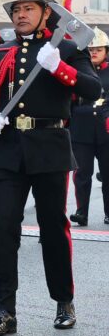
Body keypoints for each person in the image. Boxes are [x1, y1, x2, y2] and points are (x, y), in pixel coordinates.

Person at [0, 0, 100, 336]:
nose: (21, 14)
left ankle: (63, 301)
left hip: (49, 145)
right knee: (4, 228)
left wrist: (60, 67)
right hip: (8, 148)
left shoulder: (68, 49)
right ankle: (5, 311)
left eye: (29, 8)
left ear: (46, 14)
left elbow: (92, 88)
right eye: (17, 9)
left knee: (53, 229)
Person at [69, 28, 109, 227]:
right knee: (82, 175)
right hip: (81, 130)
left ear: (106, 51)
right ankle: (81, 212)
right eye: (90, 49)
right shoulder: (80, 70)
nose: (94, 53)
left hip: (106, 131)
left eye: (98, 49)